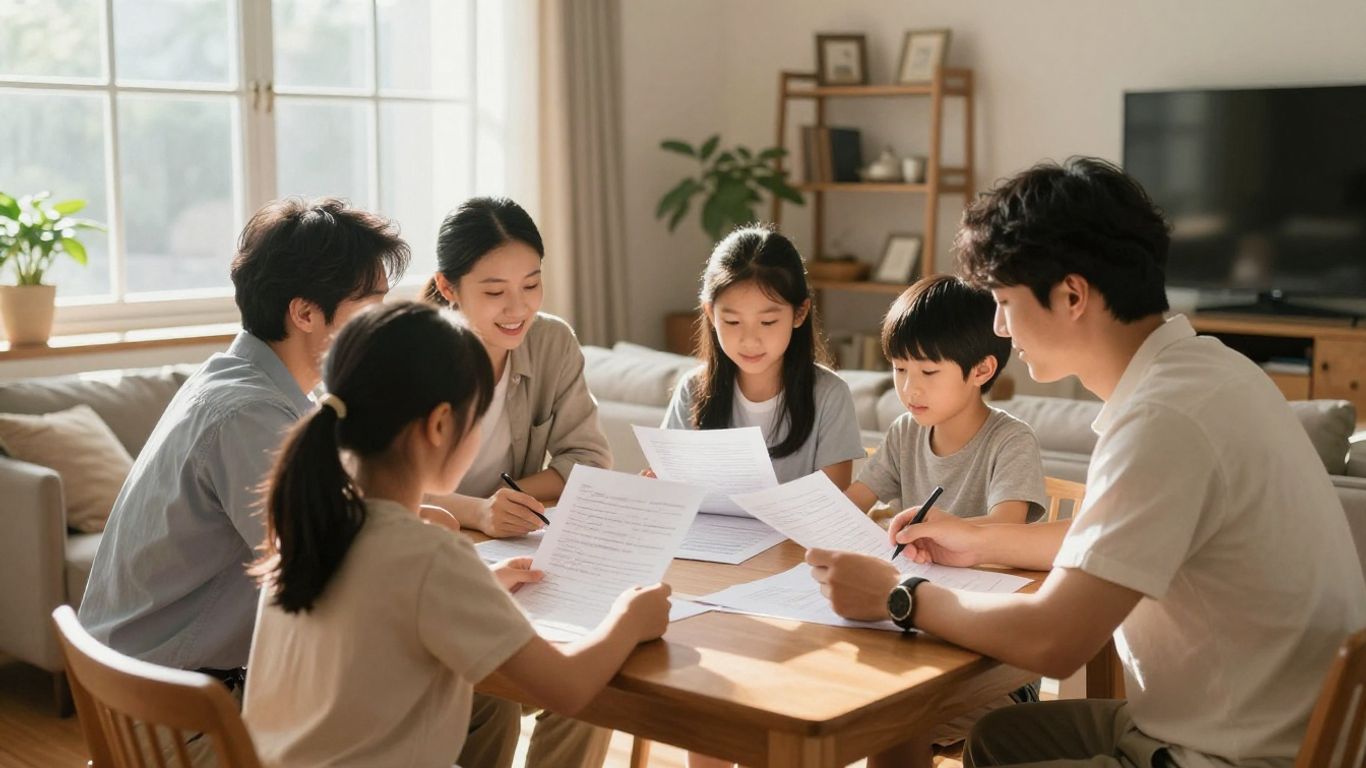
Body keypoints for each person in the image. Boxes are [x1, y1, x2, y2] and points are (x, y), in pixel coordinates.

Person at [809, 157, 1366, 767]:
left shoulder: (1162, 421)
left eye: (1004, 301)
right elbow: (1119, 539)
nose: (998, 325)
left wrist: (899, 593)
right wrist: (974, 539)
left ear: (1072, 295)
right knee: (1000, 739)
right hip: (1278, 725)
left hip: (1233, 755)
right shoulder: (1215, 371)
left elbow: (1053, 641)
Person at [77, 198, 517, 767]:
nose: (385, 322)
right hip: (186, 722)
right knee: (473, 689)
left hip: (160, 696)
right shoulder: (248, 416)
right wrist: (459, 584)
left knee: (481, 697)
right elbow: (338, 586)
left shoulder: (245, 387)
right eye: (372, 304)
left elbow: (339, 536)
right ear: (306, 313)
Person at [242, 302, 670, 767]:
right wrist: (629, 617)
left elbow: (386, 610)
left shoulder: (310, 527)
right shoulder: (428, 556)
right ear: (441, 424)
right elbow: (567, 688)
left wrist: (479, 589)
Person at [421, 197, 614, 768]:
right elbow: (378, 486)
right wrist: (478, 511)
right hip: (437, 556)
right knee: (494, 690)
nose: (518, 308)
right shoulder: (413, 355)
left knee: (592, 676)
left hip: (519, 553)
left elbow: (589, 458)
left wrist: (515, 499)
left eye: (531, 285)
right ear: (448, 286)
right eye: (495, 290)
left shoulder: (551, 341)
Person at [663, 225, 864, 489]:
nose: (750, 340)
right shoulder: (692, 390)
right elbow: (674, 487)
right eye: (733, 322)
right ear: (711, 314)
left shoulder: (829, 396)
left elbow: (832, 506)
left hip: (795, 532)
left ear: (799, 313)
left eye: (767, 322)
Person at [846, 274, 1047, 525]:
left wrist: (932, 533)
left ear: (981, 370)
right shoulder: (904, 432)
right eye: (899, 369)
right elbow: (851, 503)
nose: (910, 389)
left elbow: (1005, 526)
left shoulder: (1011, 441)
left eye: (928, 372)